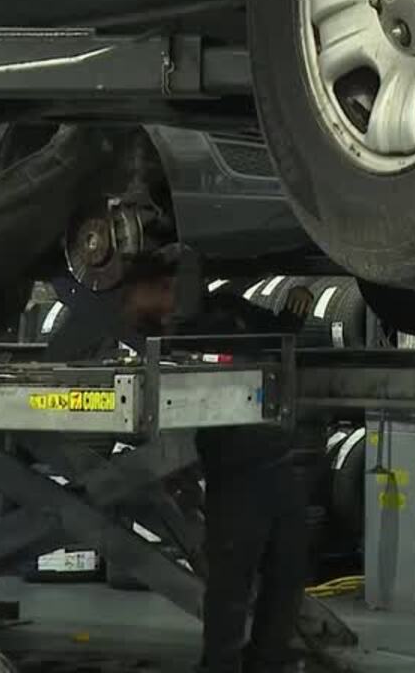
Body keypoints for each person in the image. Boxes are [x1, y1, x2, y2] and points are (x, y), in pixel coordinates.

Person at [121, 252, 320, 673]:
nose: (174, 289)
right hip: (236, 474)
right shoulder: (173, 339)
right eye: (161, 286)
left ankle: (267, 662)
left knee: (287, 574)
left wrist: (294, 312)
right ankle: (220, 665)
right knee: (232, 585)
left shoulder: (225, 309)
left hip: (278, 461)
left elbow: (275, 333)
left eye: (170, 283)